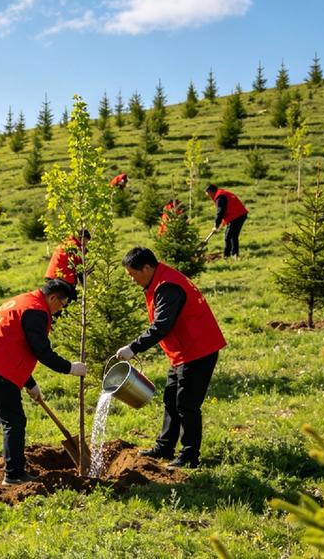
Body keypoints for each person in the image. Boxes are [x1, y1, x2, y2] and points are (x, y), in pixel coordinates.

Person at [116, 247, 225, 468]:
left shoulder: (168, 287)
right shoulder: (160, 279)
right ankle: (165, 446)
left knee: (187, 404)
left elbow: (161, 326)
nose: (131, 279)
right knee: (171, 399)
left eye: (132, 274)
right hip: (183, 351)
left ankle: (189, 455)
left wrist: (133, 348)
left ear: (146, 268)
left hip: (198, 350)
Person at [0, 280, 87, 482]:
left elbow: (14, 343)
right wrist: (70, 368)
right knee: (14, 421)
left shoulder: (23, 301)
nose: (61, 309)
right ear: (52, 298)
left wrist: (30, 383)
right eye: (62, 304)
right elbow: (41, 350)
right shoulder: (36, 311)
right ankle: (14, 473)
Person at [205, 184, 247, 259]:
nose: (208, 197)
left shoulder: (220, 197)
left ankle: (227, 256)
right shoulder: (221, 194)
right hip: (239, 215)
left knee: (228, 236)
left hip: (237, 216)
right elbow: (225, 211)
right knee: (233, 236)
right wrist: (220, 224)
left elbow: (220, 212)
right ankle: (234, 255)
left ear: (211, 192)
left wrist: (216, 225)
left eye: (208, 194)